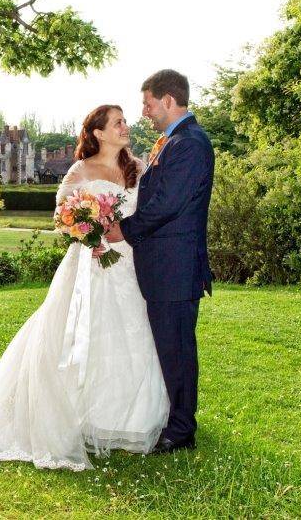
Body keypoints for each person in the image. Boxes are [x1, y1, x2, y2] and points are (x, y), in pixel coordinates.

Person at [0, 104, 169, 471]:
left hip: (131, 263)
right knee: (78, 334)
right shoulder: (81, 170)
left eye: (126, 121)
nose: (126, 127)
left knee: (132, 334)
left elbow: (149, 214)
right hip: (88, 264)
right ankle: (77, 415)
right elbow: (62, 216)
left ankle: (127, 421)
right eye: (118, 122)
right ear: (98, 133)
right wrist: (88, 230)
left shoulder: (137, 168)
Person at [106, 69, 215, 453]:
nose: (145, 112)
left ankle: (182, 430)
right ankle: (175, 418)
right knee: (170, 348)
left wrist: (126, 230)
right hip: (165, 268)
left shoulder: (190, 144)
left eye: (149, 104)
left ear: (169, 100)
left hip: (176, 268)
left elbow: (167, 204)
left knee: (178, 350)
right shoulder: (172, 141)